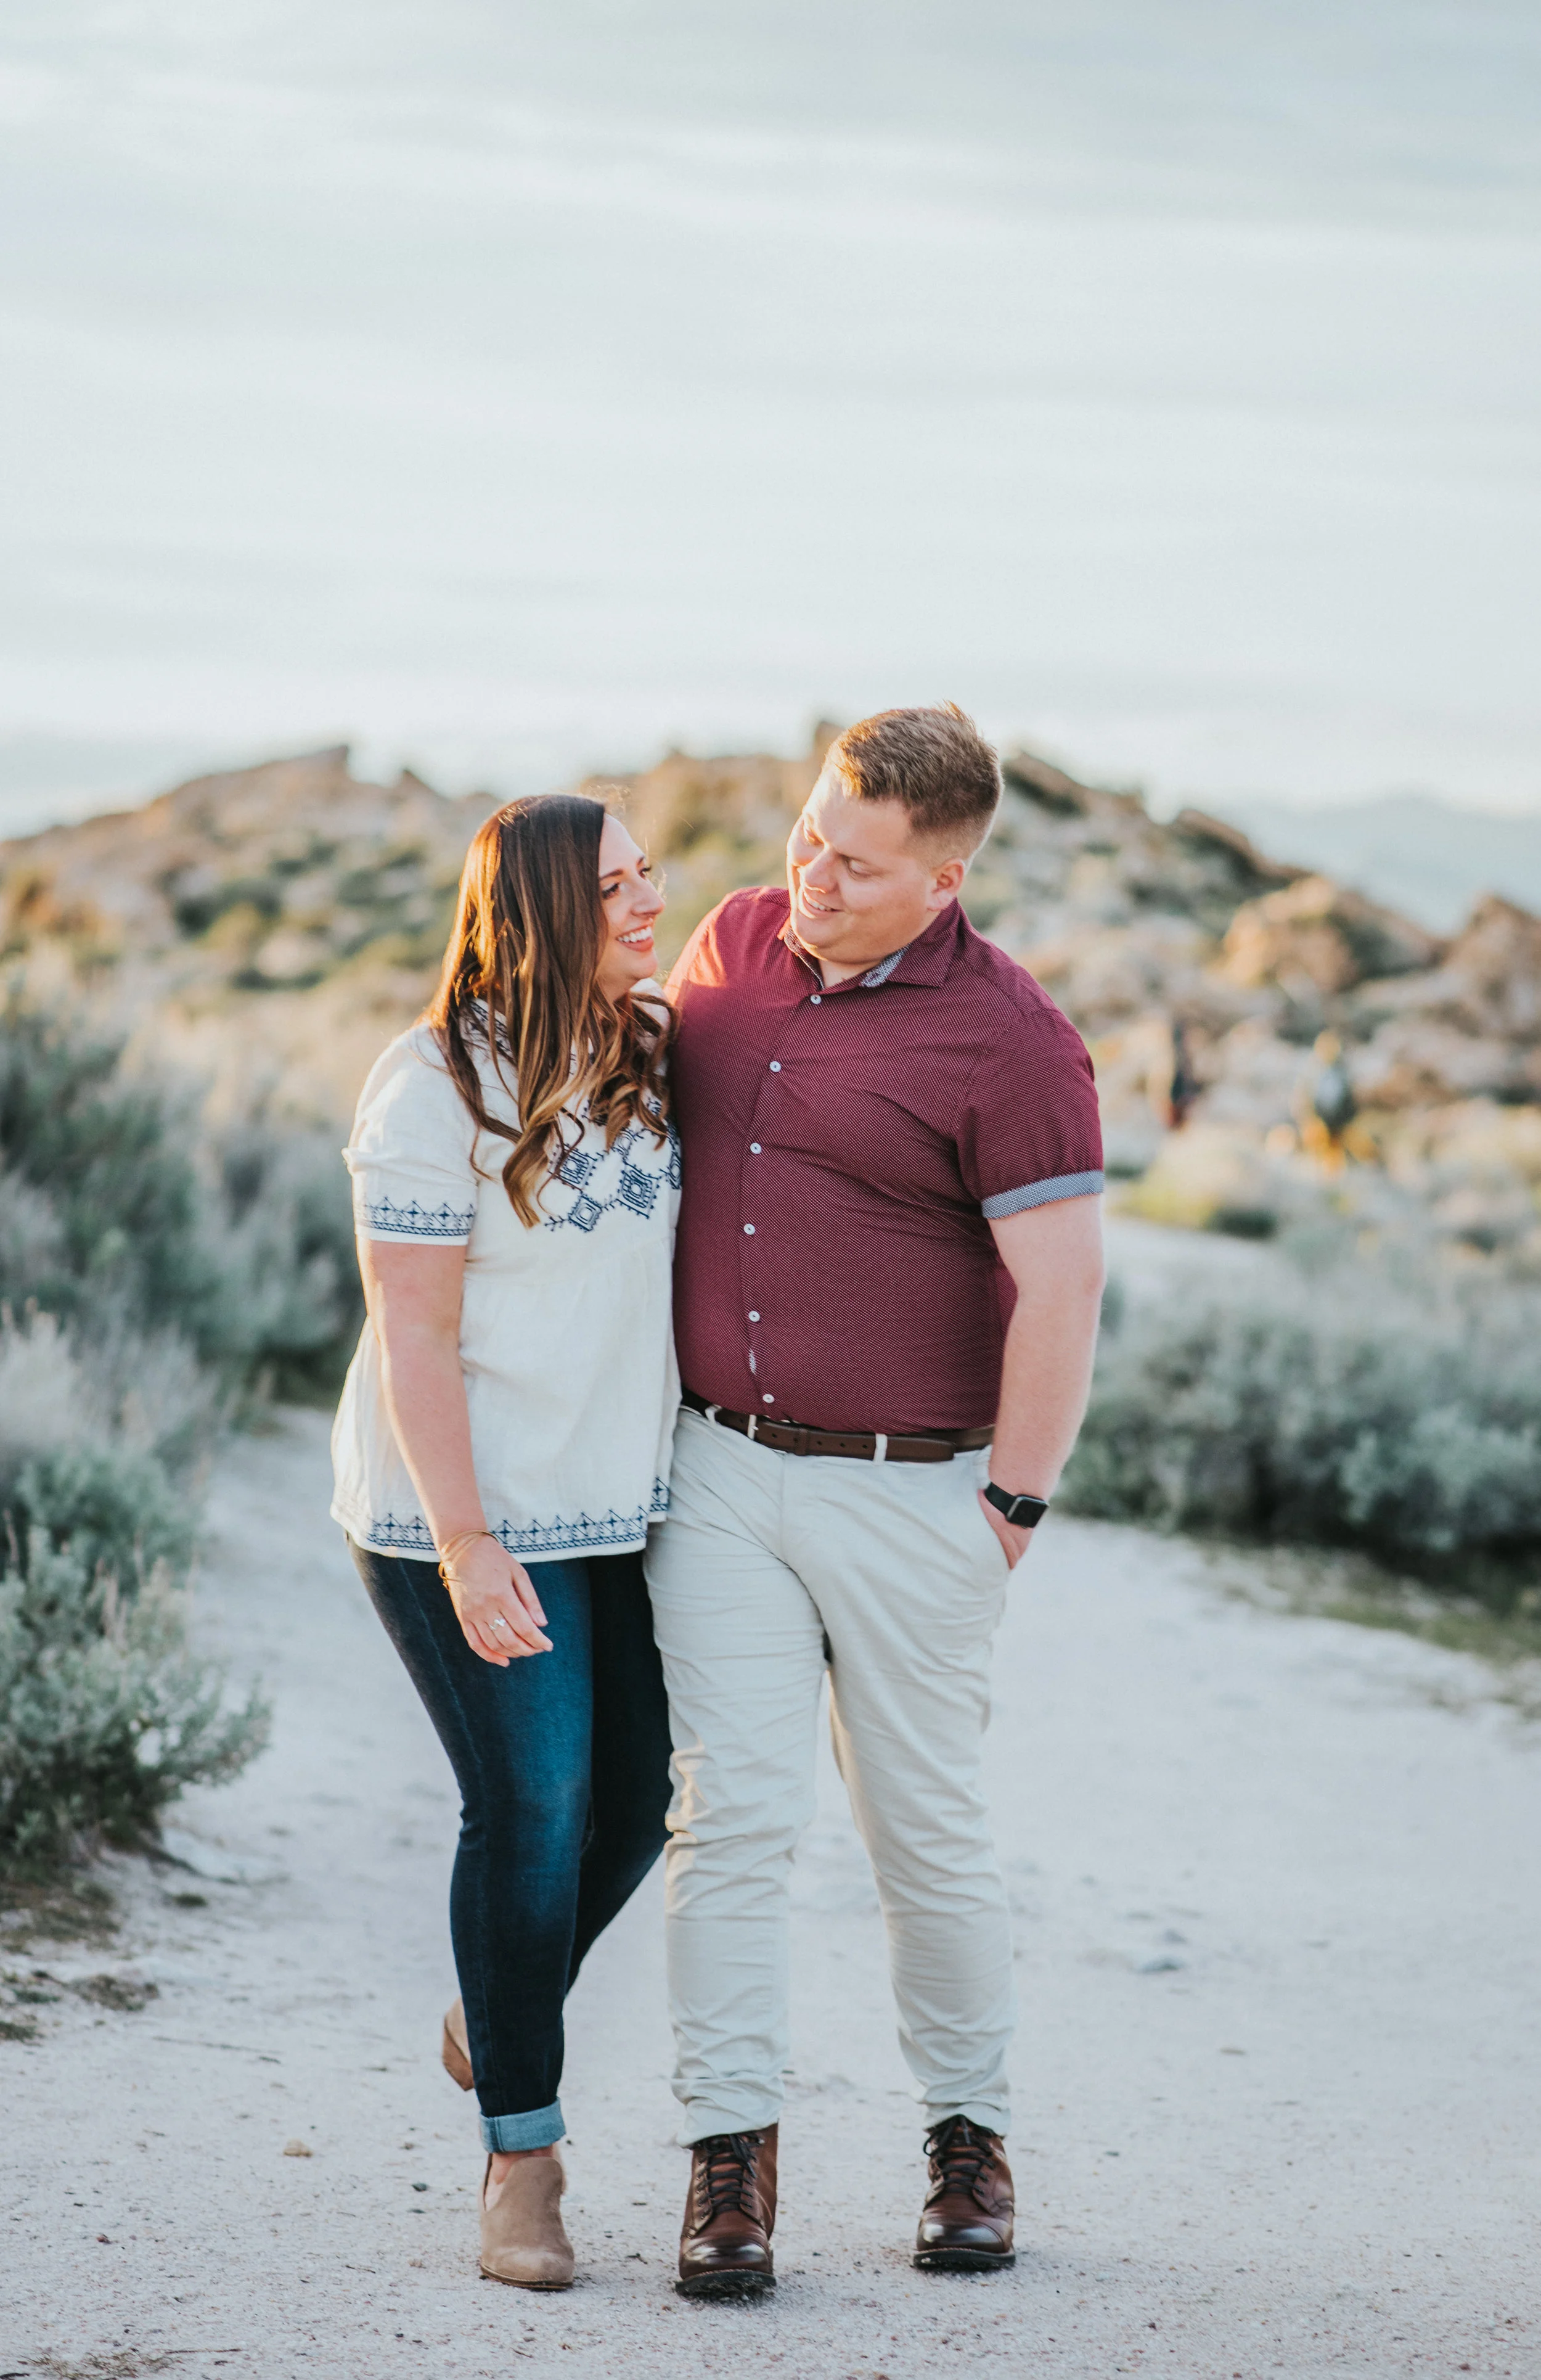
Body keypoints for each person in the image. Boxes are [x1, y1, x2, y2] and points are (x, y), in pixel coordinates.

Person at [647, 704, 1105, 2295]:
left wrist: (1013, 1507)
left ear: (945, 872)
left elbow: (1060, 1291)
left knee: (925, 1838)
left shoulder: (1014, 1039)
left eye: (853, 864)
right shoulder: (726, 947)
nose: (810, 878)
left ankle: (966, 2143)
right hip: (717, 1473)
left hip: (916, 1498)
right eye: (805, 837)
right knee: (730, 1825)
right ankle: (727, 2167)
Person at [329, 793, 679, 2290]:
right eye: (615, 886)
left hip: (615, 1512)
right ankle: (521, 2164)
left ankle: (497, 2001)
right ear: (543, 910)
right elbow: (414, 1332)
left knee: (646, 1795)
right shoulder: (428, 1087)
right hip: (451, 1510)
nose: (648, 899)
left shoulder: (654, 1055)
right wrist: (468, 1543)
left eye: (649, 871)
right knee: (534, 1808)